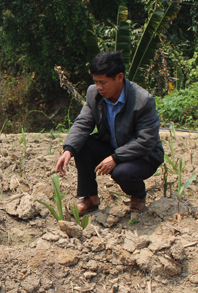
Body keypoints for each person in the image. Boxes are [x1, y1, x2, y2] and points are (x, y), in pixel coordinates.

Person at [55, 51, 164, 214]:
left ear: (119, 77)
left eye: (103, 82)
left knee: (122, 173)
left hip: (143, 155)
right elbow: (83, 123)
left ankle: (138, 195)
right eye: (96, 82)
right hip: (113, 147)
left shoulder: (142, 101)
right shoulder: (94, 94)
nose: (99, 87)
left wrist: (115, 158)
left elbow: (146, 140)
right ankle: (90, 197)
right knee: (82, 144)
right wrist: (69, 149)